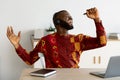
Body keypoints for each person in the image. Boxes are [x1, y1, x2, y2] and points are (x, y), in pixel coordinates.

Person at [6, 7, 107, 68]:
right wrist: (16, 45)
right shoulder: (46, 41)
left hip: (74, 77)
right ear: (57, 22)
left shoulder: (78, 39)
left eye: (71, 17)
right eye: (67, 17)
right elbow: (30, 60)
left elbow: (102, 42)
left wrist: (97, 20)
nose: (71, 18)